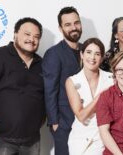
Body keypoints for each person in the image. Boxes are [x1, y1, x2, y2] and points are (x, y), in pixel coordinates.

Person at [0, 17, 45, 155]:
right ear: (15, 34)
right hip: (1, 140)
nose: (32, 39)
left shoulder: (42, 64)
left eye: (36, 36)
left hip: (32, 141)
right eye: (27, 34)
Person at [42, 6, 82, 155]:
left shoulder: (87, 50)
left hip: (86, 120)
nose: (74, 27)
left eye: (76, 23)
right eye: (68, 24)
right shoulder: (53, 53)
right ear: (60, 28)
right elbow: (49, 89)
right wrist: (54, 122)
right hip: (64, 121)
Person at [66, 38, 113, 155]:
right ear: (81, 54)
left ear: (102, 58)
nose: (92, 57)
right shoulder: (72, 81)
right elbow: (81, 116)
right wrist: (102, 96)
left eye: (97, 54)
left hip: (104, 138)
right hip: (79, 141)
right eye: (88, 52)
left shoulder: (112, 79)